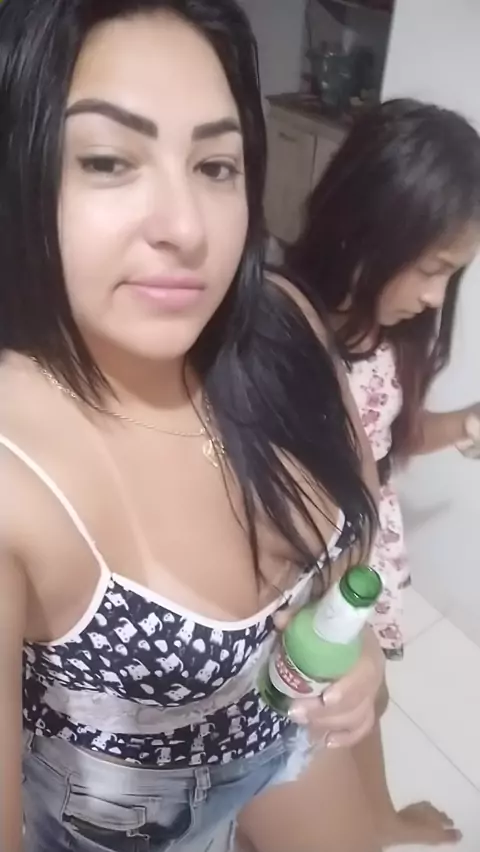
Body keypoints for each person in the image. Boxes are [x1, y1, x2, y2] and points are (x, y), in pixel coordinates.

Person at [0, 2, 386, 851]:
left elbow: (350, 538)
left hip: (282, 734)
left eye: (216, 165)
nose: (187, 228)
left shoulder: (281, 324)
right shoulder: (15, 469)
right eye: (109, 161)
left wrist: (352, 652)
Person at [238, 99, 480, 851]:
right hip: (296, 589)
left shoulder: (396, 332)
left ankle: (380, 814)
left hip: (359, 561)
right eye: (433, 269)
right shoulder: (276, 332)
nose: (437, 296)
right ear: (373, 226)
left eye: (454, 274)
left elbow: (387, 441)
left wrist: (467, 424)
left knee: (370, 700)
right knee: (323, 730)